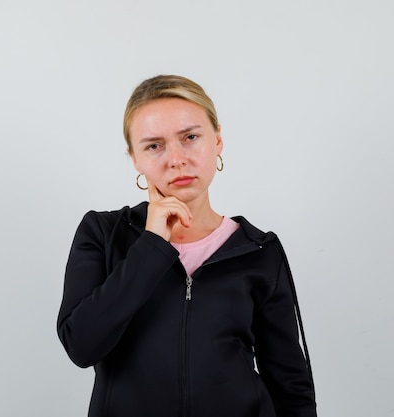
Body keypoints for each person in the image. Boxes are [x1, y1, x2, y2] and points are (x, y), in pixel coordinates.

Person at [57, 75, 317, 417]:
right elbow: (82, 345)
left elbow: (290, 385)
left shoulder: (258, 250)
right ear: (134, 158)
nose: (176, 159)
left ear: (218, 141)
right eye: (154, 145)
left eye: (190, 137)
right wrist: (151, 246)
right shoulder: (103, 234)